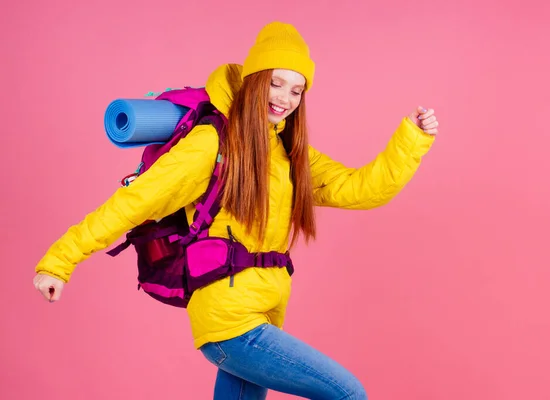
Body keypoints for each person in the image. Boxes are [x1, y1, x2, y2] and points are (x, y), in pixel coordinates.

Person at [33, 21, 440, 400]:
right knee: (349, 393)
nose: (283, 98)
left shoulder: (289, 155)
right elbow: (133, 203)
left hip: (260, 316)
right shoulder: (213, 144)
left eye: (295, 91)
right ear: (253, 80)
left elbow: (361, 189)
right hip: (230, 325)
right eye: (275, 83)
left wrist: (412, 140)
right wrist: (59, 261)